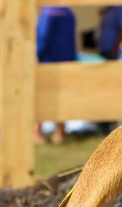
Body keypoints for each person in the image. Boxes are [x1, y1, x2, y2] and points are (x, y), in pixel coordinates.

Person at [37, 7, 76, 144]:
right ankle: (60, 132)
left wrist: (37, 54)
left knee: (42, 97)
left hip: (49, 61)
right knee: (61, 96)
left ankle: (38, 133)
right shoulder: (69, 12)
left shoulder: (49, 11)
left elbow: (43, 36)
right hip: (66, 60)